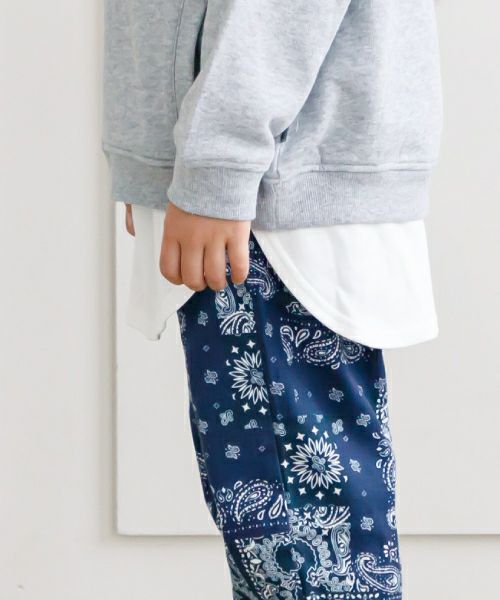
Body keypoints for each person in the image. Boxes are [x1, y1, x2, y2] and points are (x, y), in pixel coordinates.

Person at [104, 0, 442, 597]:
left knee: (304, 555)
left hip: (268, 200)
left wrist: (216, 163)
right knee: (285, 554)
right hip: (259, 182)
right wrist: (162, 166)